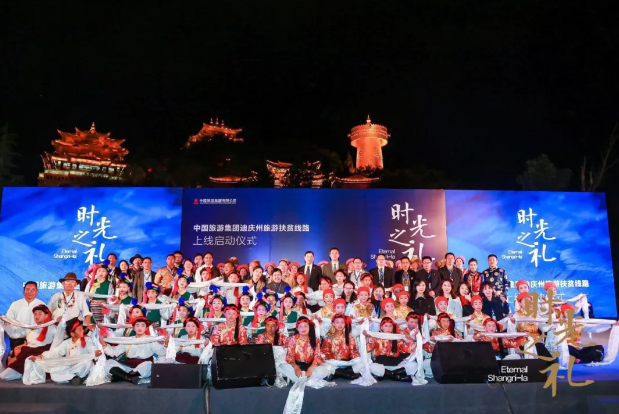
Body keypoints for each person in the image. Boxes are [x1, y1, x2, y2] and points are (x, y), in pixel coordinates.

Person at [27, 317, 101, 385]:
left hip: (81, 366)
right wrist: (41, 357)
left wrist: (95, 352)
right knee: (54, 374)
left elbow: (92, 347)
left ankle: (72, 378)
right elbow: (55, 352)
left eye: (82, 328)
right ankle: (74, 378)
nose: (83, 331)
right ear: (72, 334)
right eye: (79, 329)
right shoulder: (66, 343)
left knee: (88, 363)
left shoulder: (87, 339)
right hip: (70, 367)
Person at [101, 316, 165, 384]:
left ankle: (121, 376)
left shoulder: (151, 340)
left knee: (149, 365)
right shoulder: (128, 340)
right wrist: (104, 345)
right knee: (108, 362)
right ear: (133, 328)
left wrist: (166, 344)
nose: (140, 328)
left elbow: (161, 352)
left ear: (146, 328)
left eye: (143, 326)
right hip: (128, 366)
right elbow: (114, 352)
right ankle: (129, 378)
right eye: (137, 325)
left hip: (142, 367)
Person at [1, 305, 57, 381]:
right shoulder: (30, 327)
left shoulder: (53, 328)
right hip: (27, 355)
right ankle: (26, 374)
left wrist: (61, 322)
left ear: (46, 315)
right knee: (4, 376)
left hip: (42, 355)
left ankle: (30, 374)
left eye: (40, 314)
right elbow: (14, 335)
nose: (37, 316)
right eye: (35, 314)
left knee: (36, 377)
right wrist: (7, 323)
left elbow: (62, 337)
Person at [363, 317, 414, 381]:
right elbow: (367, 349)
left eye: (390, 326)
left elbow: (408, 349)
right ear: (381, 327)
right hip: (382, 365)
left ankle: (387, 375)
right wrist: (367, 337)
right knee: (372, 367)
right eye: (386, 326)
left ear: (393, 327)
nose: (388, 328)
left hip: (397, 365)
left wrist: (409, 338)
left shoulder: (398, 337)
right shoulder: (376, 338)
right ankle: (396, 376)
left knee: (413, 365)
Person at [3, 281, 45, 358]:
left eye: (33, 290)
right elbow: (8, 321)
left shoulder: (42, 305)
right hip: (17, 337)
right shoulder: (15, 304)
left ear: (37, 292)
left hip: (34, 338)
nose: (30, 292)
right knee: (16, 360)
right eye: (27, 289)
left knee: (32, 359)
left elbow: (44, 323)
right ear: (23, 292)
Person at [281, 317, 329, 382]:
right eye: (300, 326)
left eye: (305, 326)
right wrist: (296, 368)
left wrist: (310, 369)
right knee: (283, 367)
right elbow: (290, 356)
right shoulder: (293, 339)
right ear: (297, 328)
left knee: (323, 370)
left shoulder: (315, 340)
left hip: (311, 366)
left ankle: (303, 378)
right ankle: (306, 378)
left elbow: (317, 357)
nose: (303, 328)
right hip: (298, 365)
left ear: (309, 327)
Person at [321, 313, 362, 380]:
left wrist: (357, 358)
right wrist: (324, 358)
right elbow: (325, 352)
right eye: (337, 322)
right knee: (324, 365)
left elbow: (353, 352)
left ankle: (339, 373)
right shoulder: (328, 338)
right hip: (334, 363)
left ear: (345, 324)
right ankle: (345, 374)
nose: (340, 325)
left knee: (361, 363)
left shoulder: (350, 337)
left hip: (346, 363)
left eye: (342, 322)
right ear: (333, 324)